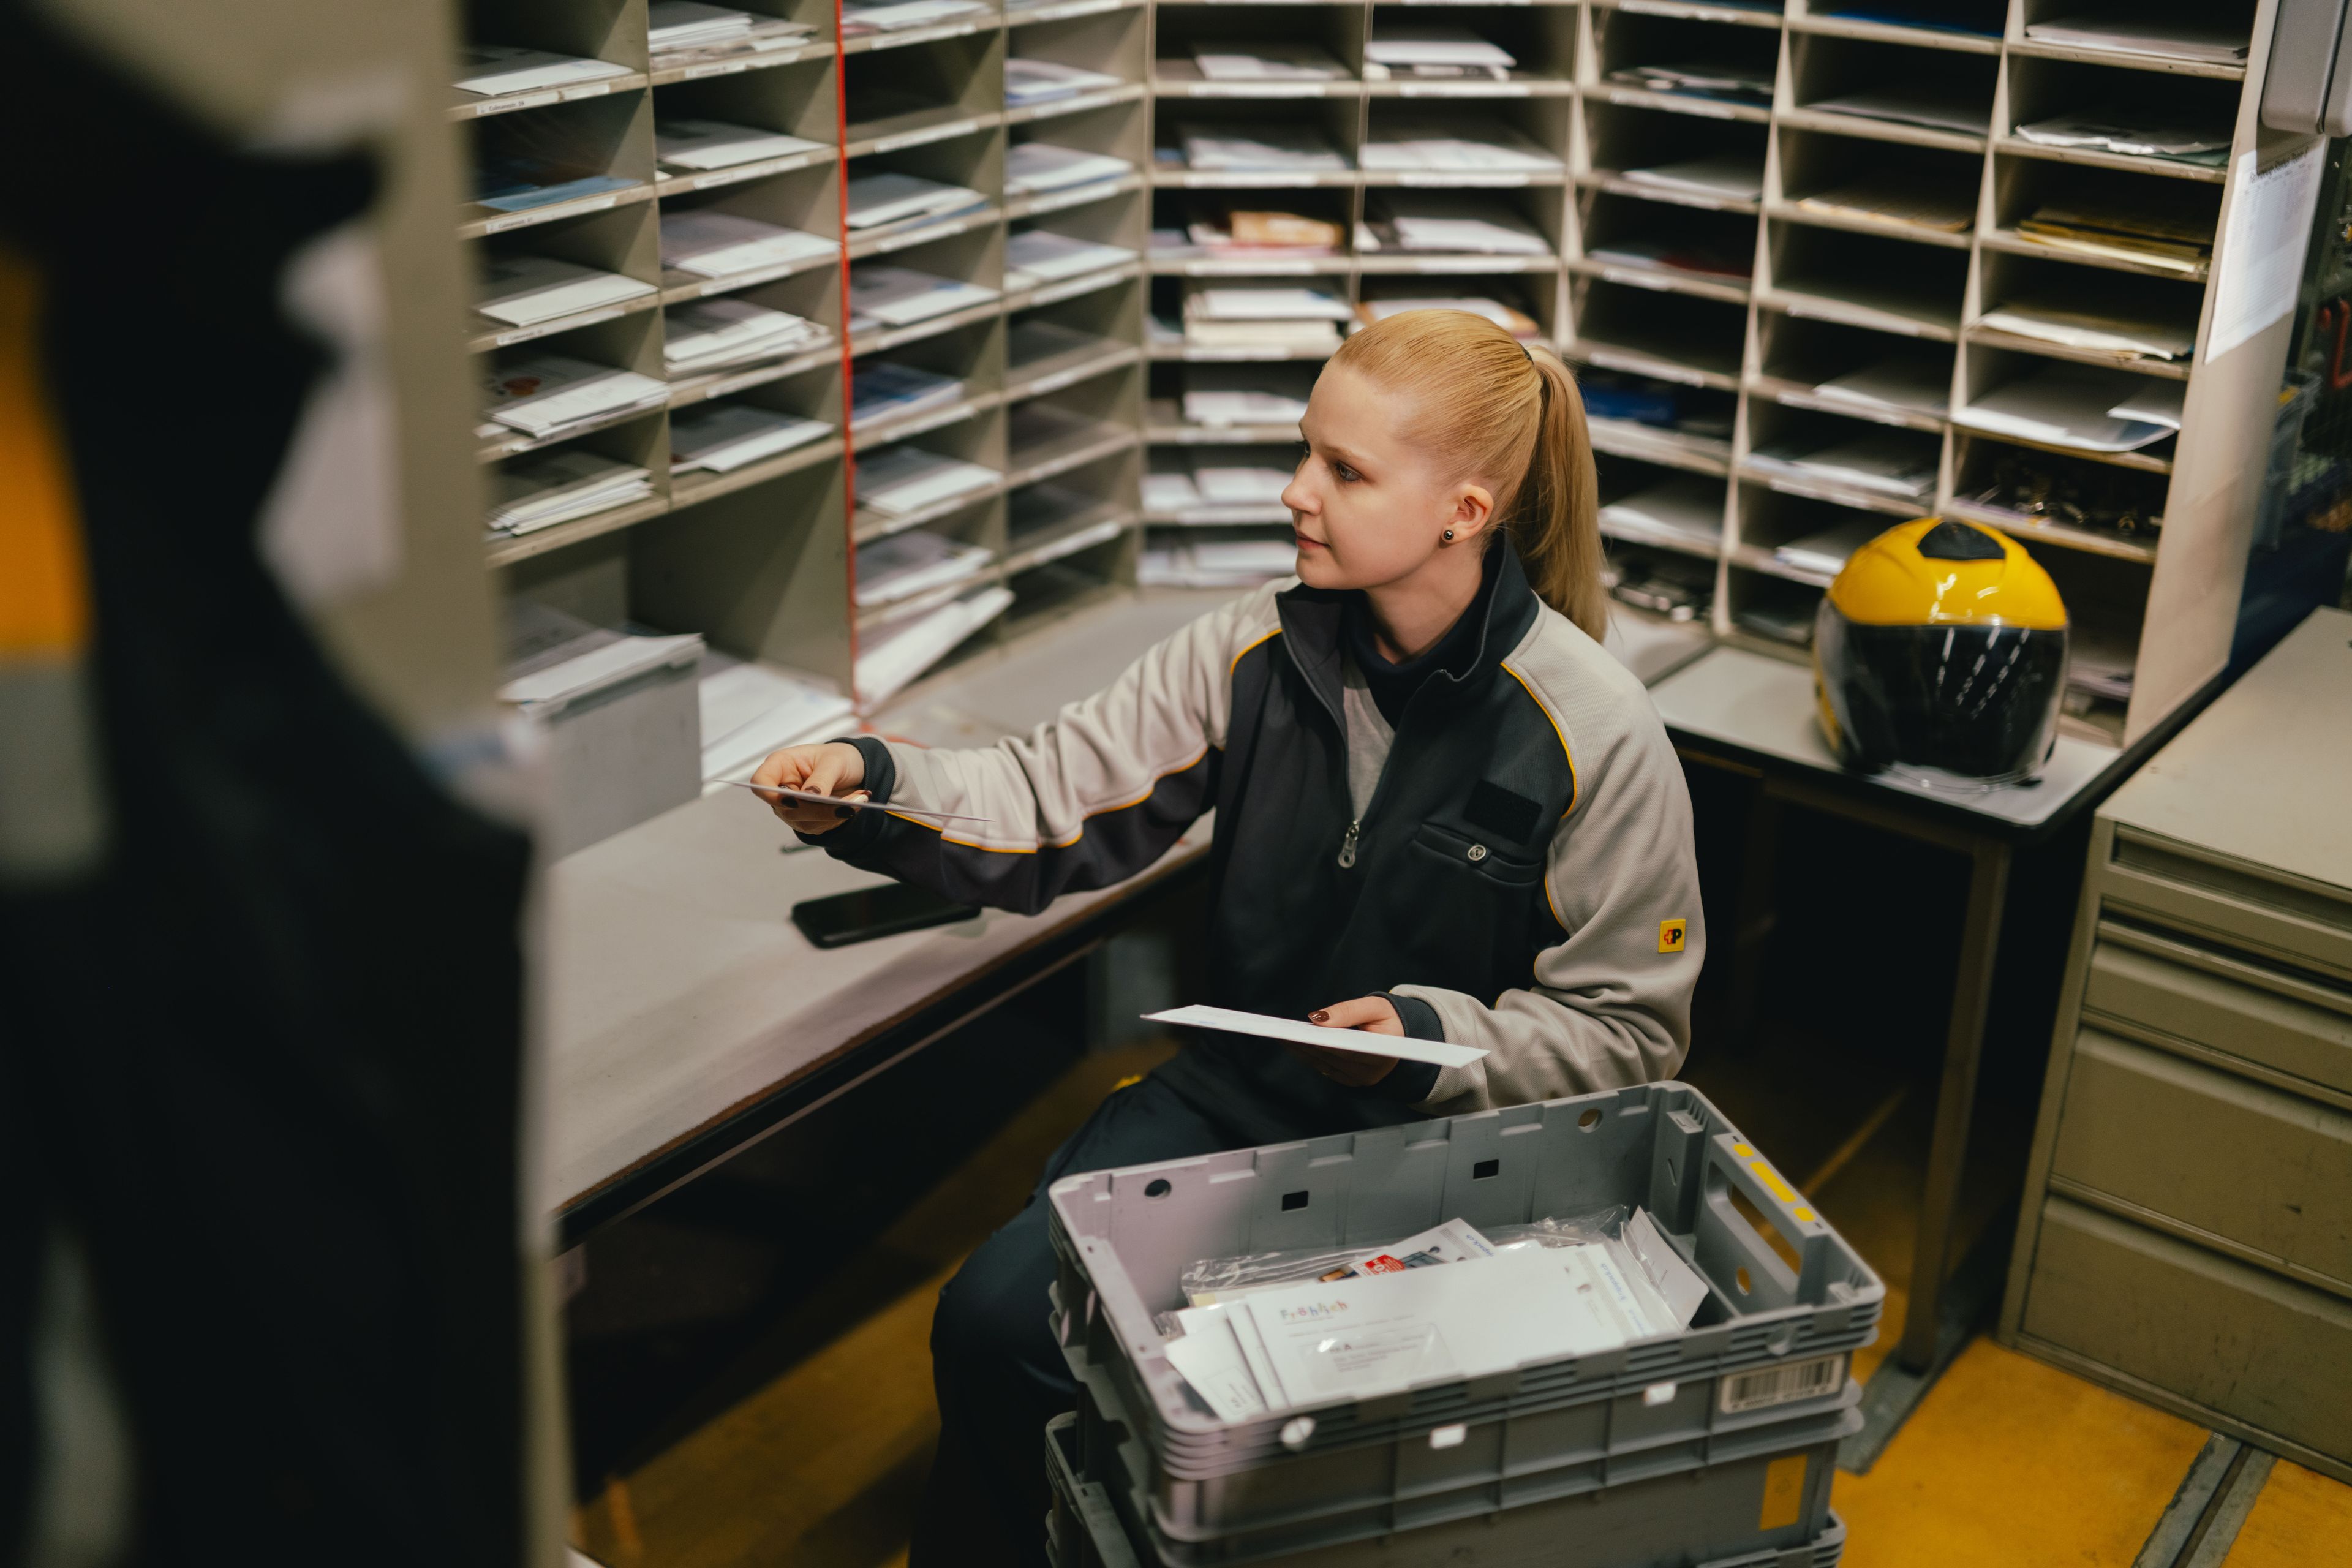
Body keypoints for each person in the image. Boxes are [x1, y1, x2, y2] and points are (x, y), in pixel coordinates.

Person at [752, 309, 1706, 1565]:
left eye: (1345, 471)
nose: (1295, 492)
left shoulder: (1599, 728)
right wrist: (869, 783)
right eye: (1308, 451)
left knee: (1283, 1450)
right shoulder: (1250, 649)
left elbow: (1631, 1034)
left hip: (1450, 1165)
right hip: (1234, 1112)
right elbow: (1050, 796)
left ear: (1463, 512)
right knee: (997, 1321)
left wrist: (1429, 1038)